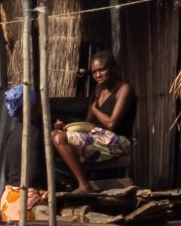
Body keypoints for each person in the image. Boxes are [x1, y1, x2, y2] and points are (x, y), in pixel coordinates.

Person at [51, 47, 137, 189]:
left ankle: (84, 185)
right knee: (53, 135)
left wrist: (95, 108)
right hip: (97, 138)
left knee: (60, 139)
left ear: (113, 68)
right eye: (94, 72)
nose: (98, 75)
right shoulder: (98, 91)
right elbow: (88, 124)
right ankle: (68, 181)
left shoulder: (124, 90)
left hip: (119, 141)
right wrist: (65, 127)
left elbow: (111, 124)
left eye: (102, 70)